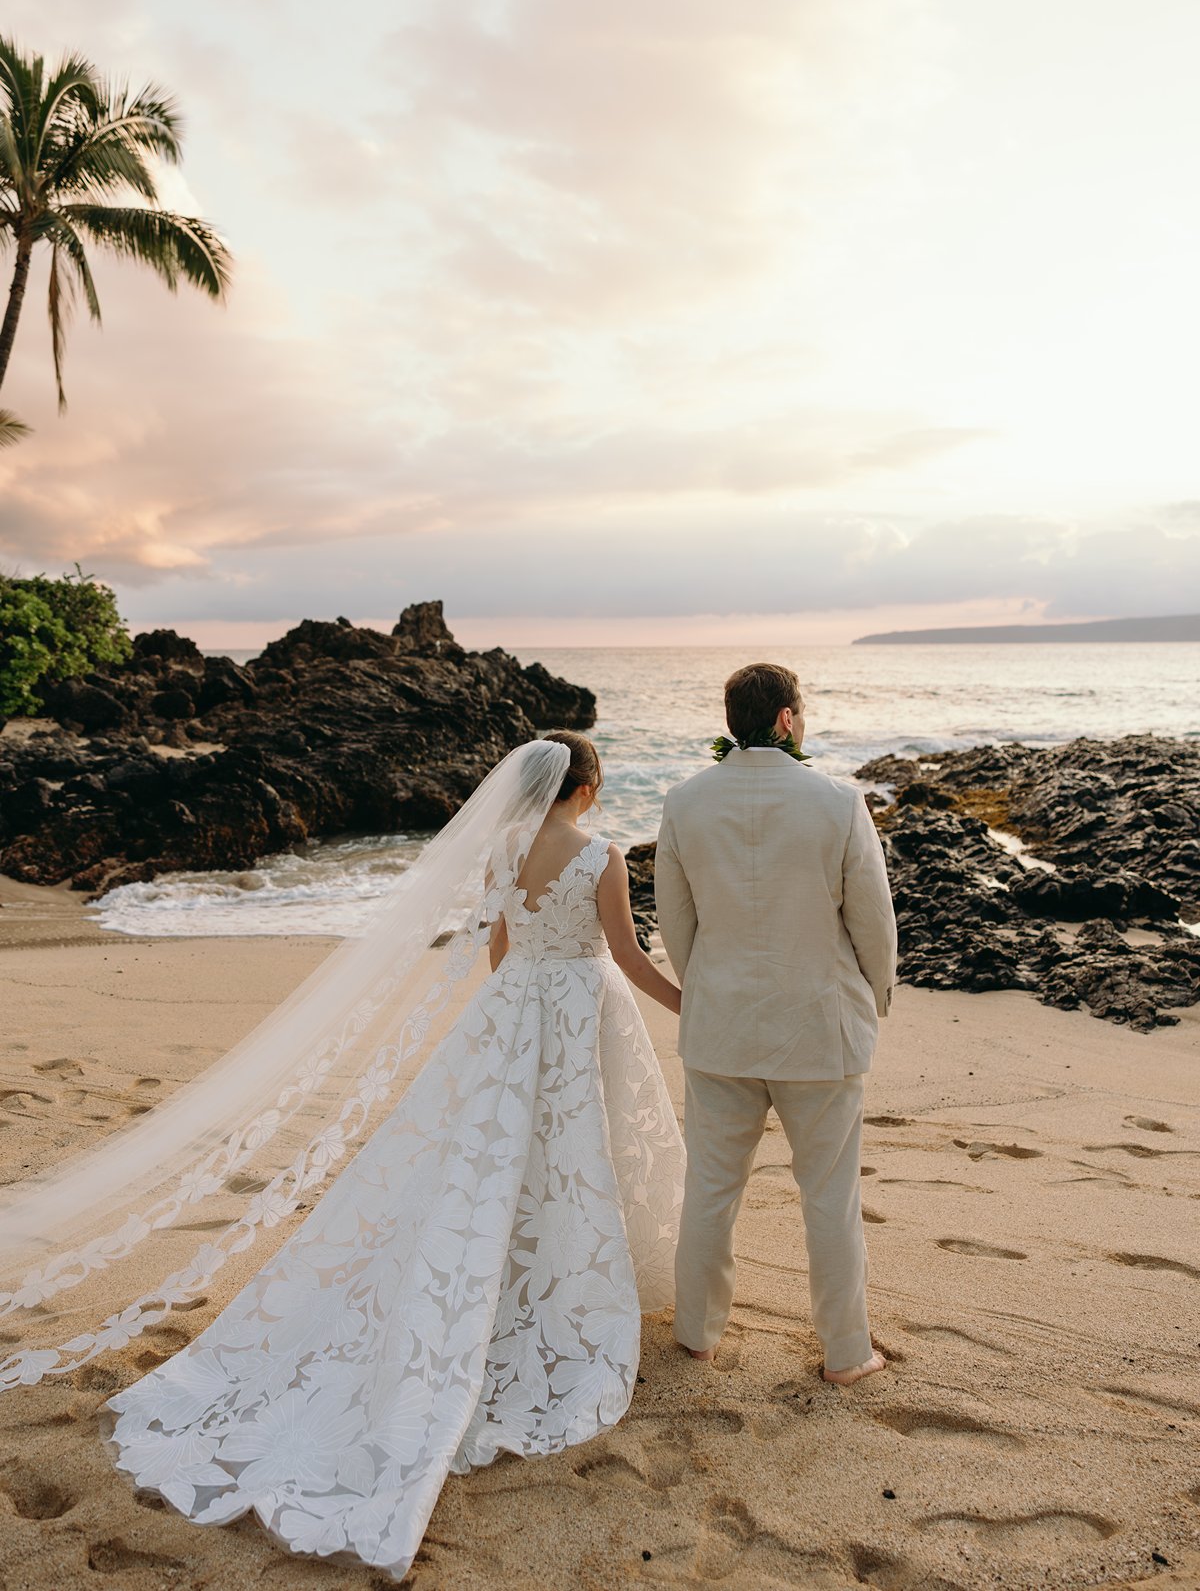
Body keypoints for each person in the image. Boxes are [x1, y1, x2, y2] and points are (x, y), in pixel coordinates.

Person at [1, 735, 684, 1582]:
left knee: (482, 1159)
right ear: (585, 790)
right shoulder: (603, 855)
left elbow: (500, 945)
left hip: (510, 1014)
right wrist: (689, 1003)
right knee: (578, 1155)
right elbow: (623, 953)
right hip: (582, 1011)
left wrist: (513, 1012)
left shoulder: (504, 846)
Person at [655, 663, 896, 1386]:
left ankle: (697, 1335)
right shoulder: (837, 803)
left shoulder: (684, 802)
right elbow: (873, 924)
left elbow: (676, 926)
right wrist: (874, 997)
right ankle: (847, 1353)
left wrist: (710, 991)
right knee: (829, 1195)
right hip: (819, 1029)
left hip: (721, 1029)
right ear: (787, 720)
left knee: (710, 1189)